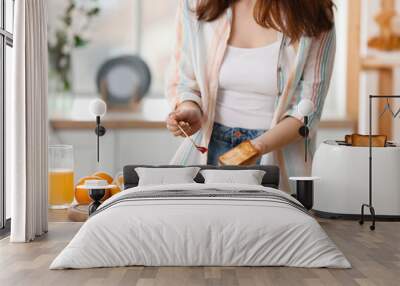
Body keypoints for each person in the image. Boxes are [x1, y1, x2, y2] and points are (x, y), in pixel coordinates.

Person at [165, 0, 336, 192]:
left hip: (274, 153)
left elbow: (307, 113)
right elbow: (184, 81)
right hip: (209, 148)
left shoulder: (313, 12)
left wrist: (253, 149)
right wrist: (189, 108)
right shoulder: (195, 4)